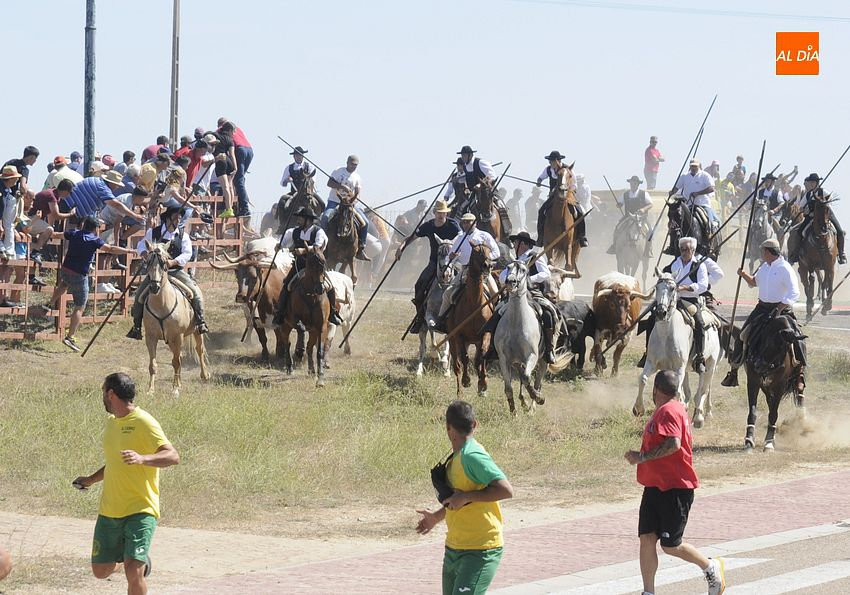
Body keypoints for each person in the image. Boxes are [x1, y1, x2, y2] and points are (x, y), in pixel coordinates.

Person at [72, 372, 179, 595]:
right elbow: (115, 464)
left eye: (103, 391)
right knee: (101, 571)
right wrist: (90, 480)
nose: (102, 396)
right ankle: (136, 561)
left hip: (141, 508)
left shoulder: (144, 421)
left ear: (111, 394)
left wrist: (142, 459)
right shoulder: (112, 423)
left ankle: (135, 564)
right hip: (110, 509)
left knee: (133, 571)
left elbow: (173, 456)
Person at [624, 370, 726, 595]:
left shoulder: (669, 410)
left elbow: (673, 444)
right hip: (655, 486)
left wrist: (641, 457)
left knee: (671, 545)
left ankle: (710, 567)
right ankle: (648, 592)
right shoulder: (669, 408)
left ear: (655, 390)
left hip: (675, 488)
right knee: (647, 538)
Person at [415, 400, 513, 595]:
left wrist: (466, 496)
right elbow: (457, 500)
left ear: (448, 427)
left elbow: (506, 490)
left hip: (480, 550)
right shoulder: (456, 457)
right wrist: (436, 517)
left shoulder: (472, 455)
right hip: (454, 547)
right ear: (475, 424)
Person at [38, 216, 135, 351]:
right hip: (79, 275)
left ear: (84, 225)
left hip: (66, 269)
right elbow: (111, 249)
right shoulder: (94, 240)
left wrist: (46, 232)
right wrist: (128, 251)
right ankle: (70, 337)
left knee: (64, 283)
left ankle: (50, 303)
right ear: (95, 229)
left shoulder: (74, 233)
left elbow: (56, 235)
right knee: (80, 306)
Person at [721, 238, 805, 391]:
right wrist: (743, 274)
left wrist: (780, 307)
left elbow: (794, 292)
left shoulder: (785, 268)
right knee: (742, 336)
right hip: (762, 308)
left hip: (782, 309)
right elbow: (754, 282)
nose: (761, 253)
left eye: (763, 251)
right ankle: (734, 371)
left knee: (797, 336)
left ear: (768, 251)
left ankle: (800, 374)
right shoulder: (764, 267)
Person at [636, 237, 721, 372]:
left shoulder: (699, 266)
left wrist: (685, 288)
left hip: (690, 300)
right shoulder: (674, 264)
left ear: (693, 250)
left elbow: (703, 285)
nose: (684, 252)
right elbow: (665, 278)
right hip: (672, 300)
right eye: (682, 249)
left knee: (699, 322)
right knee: (652, 318)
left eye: (687, 249)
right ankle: (648, 353)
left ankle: (699, 357)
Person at [126, 207, 208, 340]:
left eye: (180, 218)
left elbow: (187, 253)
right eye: (175, 217)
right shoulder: (153, 232)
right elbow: (141, 244)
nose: (178, 220)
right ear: (168, 218)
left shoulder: (183, 235)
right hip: (156, 273)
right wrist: (145, 254)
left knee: (195, 292)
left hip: (175, 271)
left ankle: (200, 321)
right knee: (139, 296)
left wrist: (173, 262)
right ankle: (137, 327)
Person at [483, 230, 560, 363]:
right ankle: (493, 348)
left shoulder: (535, 256)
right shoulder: (514, 261)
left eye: (516, 242)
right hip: (513, 294)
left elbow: (545, 274)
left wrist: (527, 280)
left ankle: (548, 349)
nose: (513, 245)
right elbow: (502, 277)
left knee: (548, 313)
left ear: (523, 244)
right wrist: (509, 280)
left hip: (532, 293)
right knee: (497, 312)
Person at [395, 199, 461, 333]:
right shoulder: (429, 226)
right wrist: (401, 247)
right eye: (439, 212)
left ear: (447, 213)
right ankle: (420, 318)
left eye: (443, 213)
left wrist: (458, 253)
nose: (441, 215)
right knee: (419, 285)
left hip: (453, 261)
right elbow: (412, 237)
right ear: (434, 213)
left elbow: (462, 238)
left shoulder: (453, 225)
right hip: (434, 262)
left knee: (464, 284)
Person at [272, 207, 344, 328]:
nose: (298, 220)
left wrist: (304, 250)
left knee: (329, 286)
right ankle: (280, 313)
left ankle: (332, 313)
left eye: (301, 218)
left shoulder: (318, 232)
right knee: (287, 285)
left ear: (308, 220)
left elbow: (318, 246)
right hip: (299, 264)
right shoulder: (293, 231)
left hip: (316, 265)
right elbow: (283, 242)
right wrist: (279, 245)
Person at [432, 212, 500, 333]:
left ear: (475, 223)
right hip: (465, 270)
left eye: (469, 222)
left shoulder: (484, 235)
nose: (466, 224)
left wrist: (485, 258)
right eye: (464, 222)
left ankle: (496, 322)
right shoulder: (459, 238)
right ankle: (442, 321)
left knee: (495, 293)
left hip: (483, 270)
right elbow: (448, 257)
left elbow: (497, 252)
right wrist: (451, 257)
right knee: (447, 293)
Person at [788, 172, 846, 265]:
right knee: (799, 232)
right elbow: (801, 206)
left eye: (813, 182)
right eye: (810, 182)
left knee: (840, 231)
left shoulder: (824, 192)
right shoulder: (808, 195)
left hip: (826, 215)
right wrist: (804, 210)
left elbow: (829, 205)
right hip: (811, 216)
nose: (811, 184)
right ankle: (796, 253)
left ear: (817, 183)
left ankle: (841, 253)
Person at [535, 150, 588, 247]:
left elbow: (574, 184)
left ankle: (582, 237)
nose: (550, 163)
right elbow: (541, 177)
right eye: (550, 161)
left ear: (558, 161)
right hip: (553, 196)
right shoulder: (548, 169)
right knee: (541, 211)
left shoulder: (568, 170)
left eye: (552, 161)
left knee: (580, 212)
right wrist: (539, 181)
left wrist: (568, 191)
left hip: (567, 196)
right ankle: (541, 237)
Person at [324, 155, 370, 261]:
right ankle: (324, 243)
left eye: (356, 165)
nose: (354, 166)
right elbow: (329, 183)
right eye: (352, 164)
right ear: (347, 163)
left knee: (365, 223)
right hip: (334, 202)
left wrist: (353, 200)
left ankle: (361, 248)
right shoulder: (338, 171)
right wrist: (341, 186)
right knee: (325, 218)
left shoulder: (357, 177)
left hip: (349, 205)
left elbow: (358, 193)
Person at [607, 175, 653, 254]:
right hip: (628, 217)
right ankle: (614, 246)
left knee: (650, 231)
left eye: (634, 183)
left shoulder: (644, 194)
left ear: (638, 184)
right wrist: (619, 205)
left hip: (641, 218)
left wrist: (643, 209)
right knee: (617, 228)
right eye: (631, 183)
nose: (632, 185)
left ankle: (648, 250)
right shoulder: (625, 194)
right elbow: (620, 203)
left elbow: (650, 204)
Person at [218, 117, 254, 217]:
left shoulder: (222, 129)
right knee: (240, 179)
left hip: (239, 150)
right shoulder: (238, 129)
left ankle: (244, 208)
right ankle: (239, 205)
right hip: (249, 150)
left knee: (237, 180)